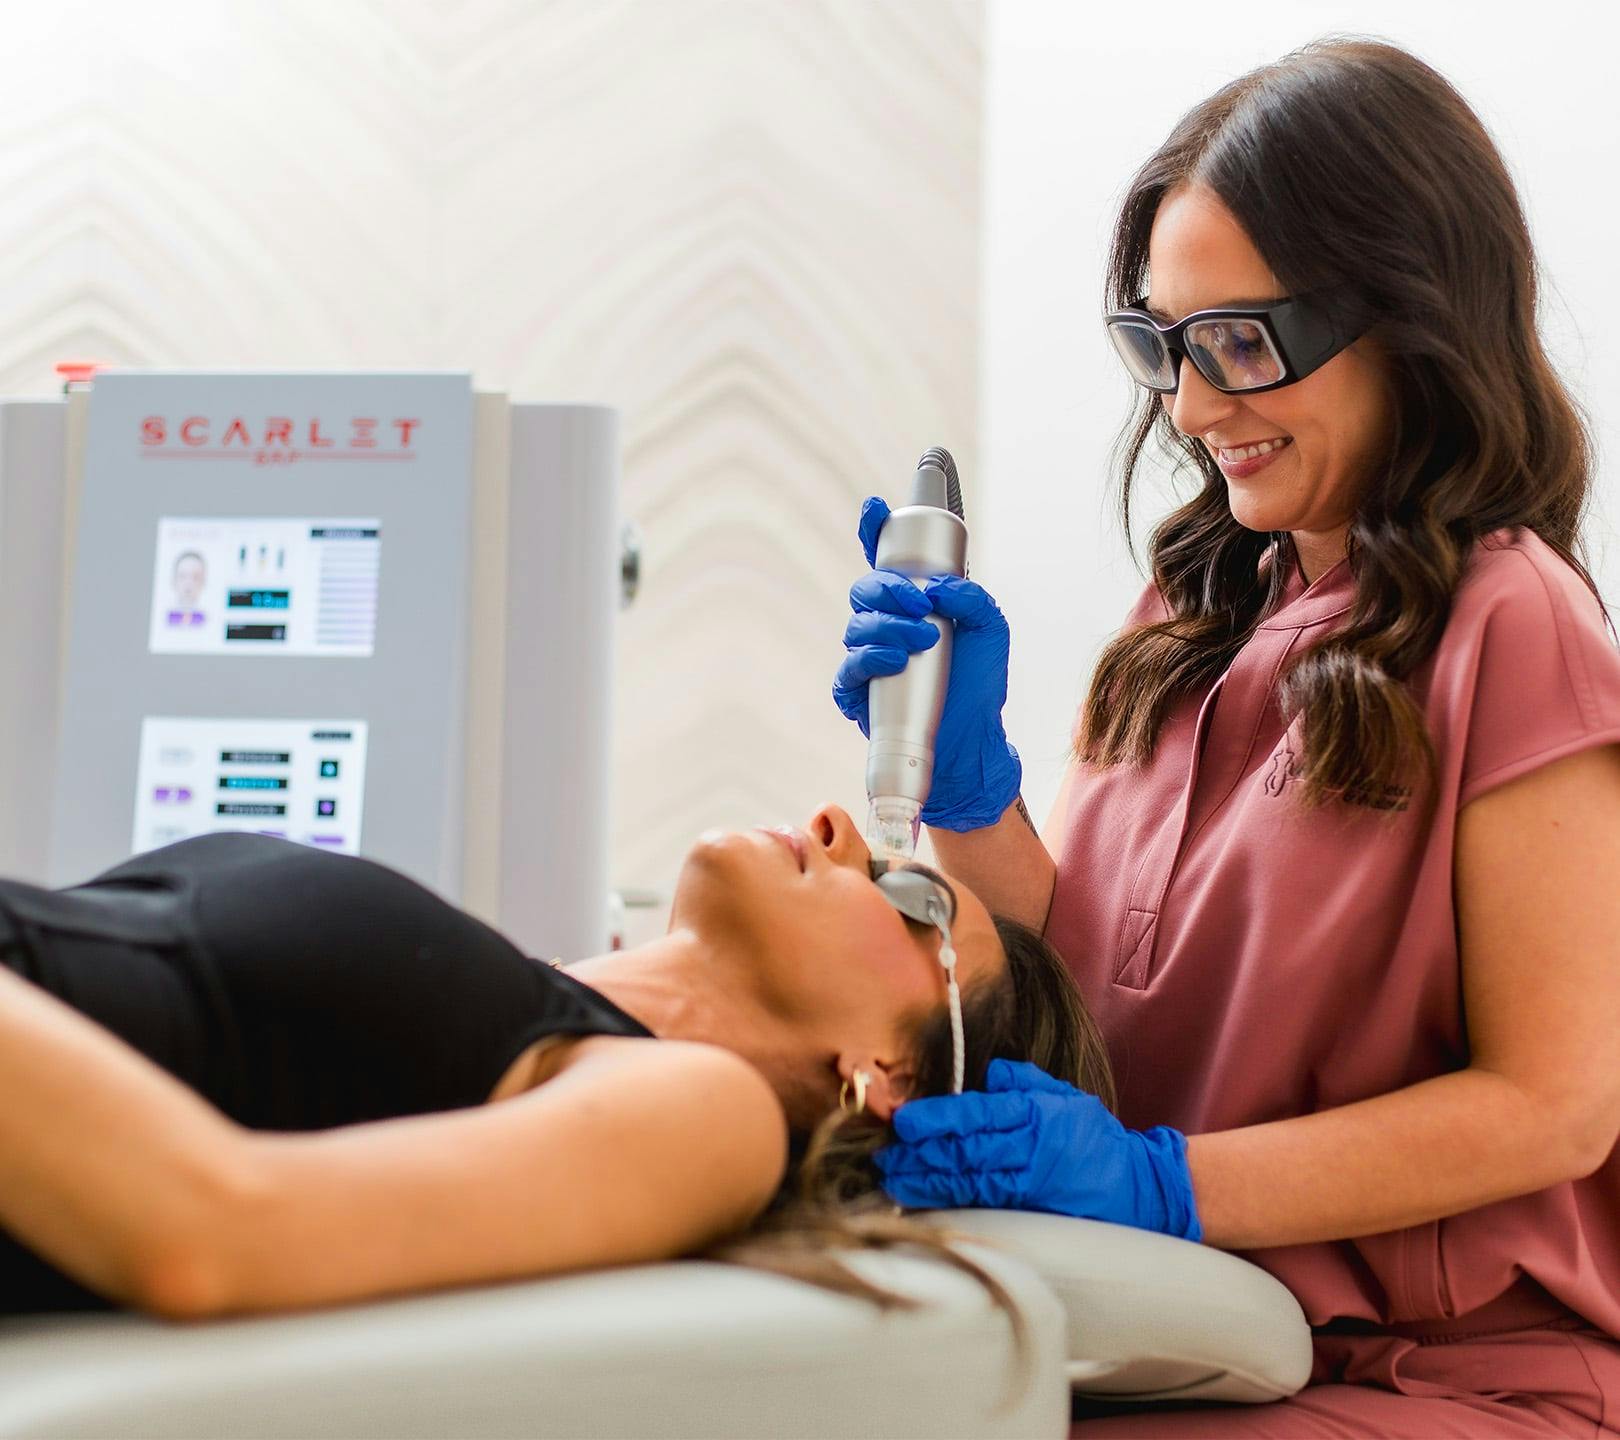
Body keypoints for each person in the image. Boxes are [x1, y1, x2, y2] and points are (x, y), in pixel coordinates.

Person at [835, 38, 1620, 1437]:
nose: (1192, 410)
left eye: (1242, 344)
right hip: (1184, 1328)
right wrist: (973, 784)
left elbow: (1556, 1106)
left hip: (1440, 1376)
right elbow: (1089, 987)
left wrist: (1165, 1184)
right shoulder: (1189, 612)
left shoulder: (1514, 625)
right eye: (1163, 347)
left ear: (1411, 316)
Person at [0, 804, 1109, 1320]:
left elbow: (217, 1232)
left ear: (889, 1075)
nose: (839, 826)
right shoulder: (521, 993)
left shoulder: (700, 1114)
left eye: (908, 897)